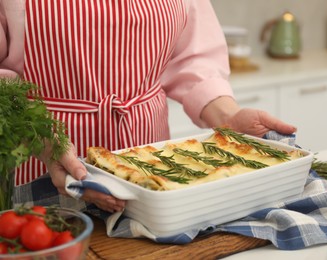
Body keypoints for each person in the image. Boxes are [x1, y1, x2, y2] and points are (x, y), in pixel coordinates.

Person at [0, 0, 296, 213]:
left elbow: (194, 59)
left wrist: (228, 116)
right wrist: (41, 138)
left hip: (154, 172)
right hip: (41, 161)